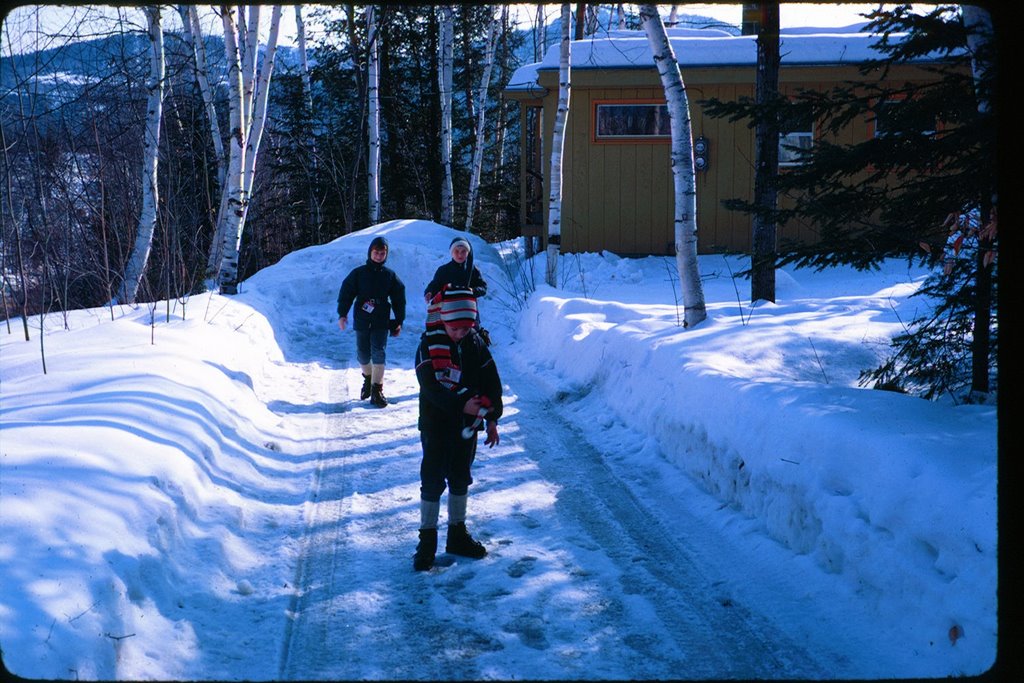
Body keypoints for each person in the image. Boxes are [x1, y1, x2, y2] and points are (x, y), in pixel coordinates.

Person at [412, 284, 502, 572]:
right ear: (444, 320)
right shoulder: (428, 345)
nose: (462, 333)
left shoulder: (475, 342)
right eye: (456, 328)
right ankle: (427, 540)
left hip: (467, 426)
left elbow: (491, 379)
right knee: (434, 478)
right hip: (437, 425)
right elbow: (431, 388)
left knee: (461, 476)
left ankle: (457, 534)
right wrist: (462, 403)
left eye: (467, 327)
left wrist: (491, 417)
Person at [337, 235, 406, 408]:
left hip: (381, 320)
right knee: (362, 353)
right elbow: (346, 293)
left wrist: (399, 320)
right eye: (376, 252)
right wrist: (342, 314)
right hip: (362, 318)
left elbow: (399, 297)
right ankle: (368, 378)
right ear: (370, 252)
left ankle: (377, 390)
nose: (379, 256)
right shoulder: (358, 273)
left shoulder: (390, 276)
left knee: (379, 351)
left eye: (382, 253)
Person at [424, 236, 491, 345]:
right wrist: (429, 293)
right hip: (448, 310)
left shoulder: (472, 270)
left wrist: (472, 290)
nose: (460, 254)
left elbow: (483, 287)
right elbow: (435, 284)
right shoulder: (443, 270)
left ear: (468, 253)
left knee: (473, 337)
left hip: (468, 309)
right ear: (451, 252)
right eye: (457, 251)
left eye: (463, 251)